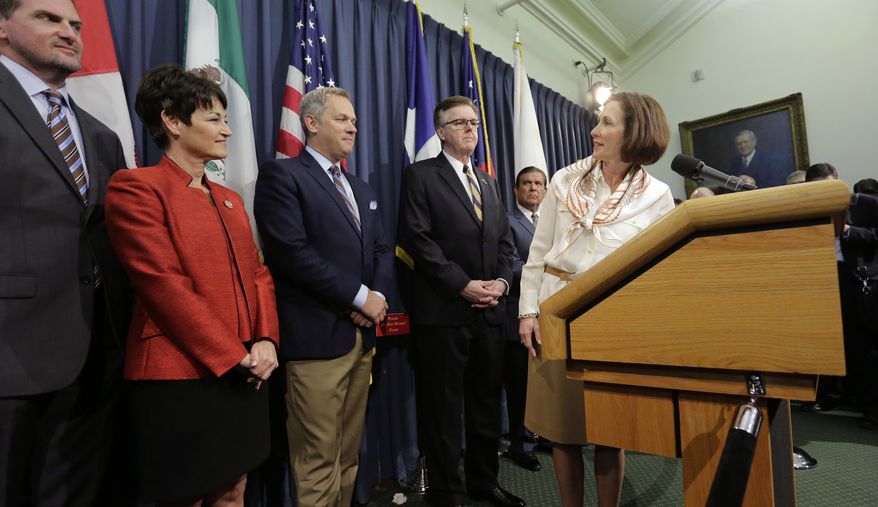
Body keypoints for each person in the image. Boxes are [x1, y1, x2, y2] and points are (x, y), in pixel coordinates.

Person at [104, 64, 280, 506]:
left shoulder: (230, 198)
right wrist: (233, 355)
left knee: (234, 489)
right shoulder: (137, 189)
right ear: (173, 121)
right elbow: (163, 285)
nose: (227, 131)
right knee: (184, 495)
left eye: (226, 119)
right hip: (177, 375)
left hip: (246, 369)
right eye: (215, 119)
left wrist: (265, 339)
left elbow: (258, 273)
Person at [0, 0, 133, 504]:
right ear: (2, 27)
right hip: (9, 359)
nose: (69, 31)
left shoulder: (100, 135)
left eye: (75, 24)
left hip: (94, 354)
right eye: (47, 18)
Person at [518, 92, 675, 507]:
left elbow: (658, 271)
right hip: (557, 313)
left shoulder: (657, 195)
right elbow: (537, 253)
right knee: (562, 429)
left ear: (634, 131)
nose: (595, 130)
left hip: (614, 322)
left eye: (606, 122)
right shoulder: (564, 180)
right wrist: (528, 311)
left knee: (611, 430)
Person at [254, 86, 393, 507]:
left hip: (362, 340)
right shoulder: (283, 176)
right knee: (317, 462)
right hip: (316, 341)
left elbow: (383, 250)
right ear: (311, 123)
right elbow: (290, 253)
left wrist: (377, 297)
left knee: (348, 458)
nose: (353, 126)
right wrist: (357, 298)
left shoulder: (361, 188)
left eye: (353, 119)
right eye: (342, 118)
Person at [402, 96, 522, 507]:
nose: (471, 128)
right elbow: (418, 241)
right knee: (444, 413)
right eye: (460, 123)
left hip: (490, 313)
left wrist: (503, 285)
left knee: (487, 407)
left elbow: (506, 244)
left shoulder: (487, 180)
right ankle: (446, 493)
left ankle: (483, 484)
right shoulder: (421, 176)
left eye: (474, 122)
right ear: (440, 131)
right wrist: (462, 284)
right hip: (445, 314)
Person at [502, 166, 548, 472]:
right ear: (517, 190)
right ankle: (521, 443)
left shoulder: (552, 221)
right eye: (526, 184)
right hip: (518, 312)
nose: (533, 188)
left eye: (538, 184)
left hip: (551, 315)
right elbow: (511, 264)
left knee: (544, 382)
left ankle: (543, 433)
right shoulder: (507, 221)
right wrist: (551, 273)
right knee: (520, 384)